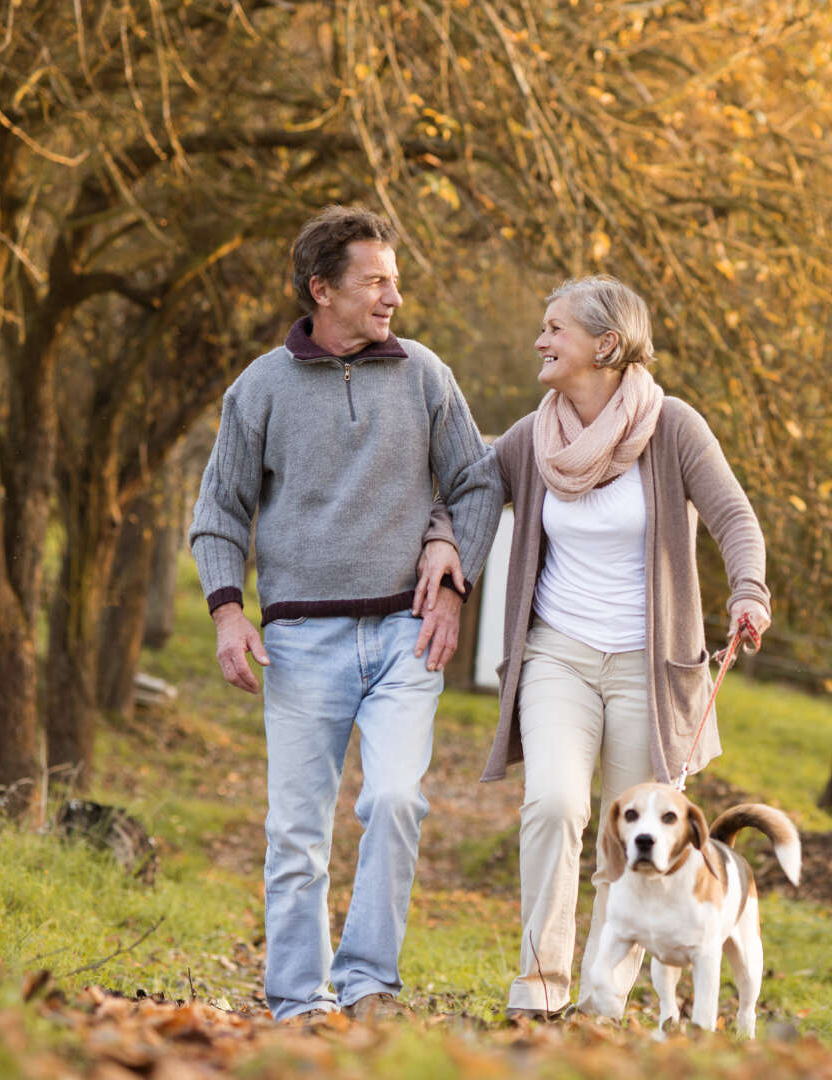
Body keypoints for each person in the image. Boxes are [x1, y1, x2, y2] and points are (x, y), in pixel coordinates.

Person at [189, 205, 501, 1024]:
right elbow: (218, 512)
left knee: (397, 801)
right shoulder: (258, 388)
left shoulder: (427, 374)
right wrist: (228, 612)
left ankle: (368, 983)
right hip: (299, 641)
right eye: (375, 281)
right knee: (296, 833)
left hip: (407, 631)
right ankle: (299, 1001)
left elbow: (477, 482)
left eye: (395, 281)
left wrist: (455, 569)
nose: (392, 296)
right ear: (322, 289)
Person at [478, 275, 771, 1020]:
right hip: (558, 654)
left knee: (635, 832)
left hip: (650, 664)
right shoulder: (534, 435)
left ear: (604, 344)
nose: (540, 341)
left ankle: (603, 992)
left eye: (555, 329)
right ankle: (540, 990)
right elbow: (474, 491)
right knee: (552, 803)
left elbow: (735, 516)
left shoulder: (671, 427)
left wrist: (748, 590)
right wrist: (448, 549)